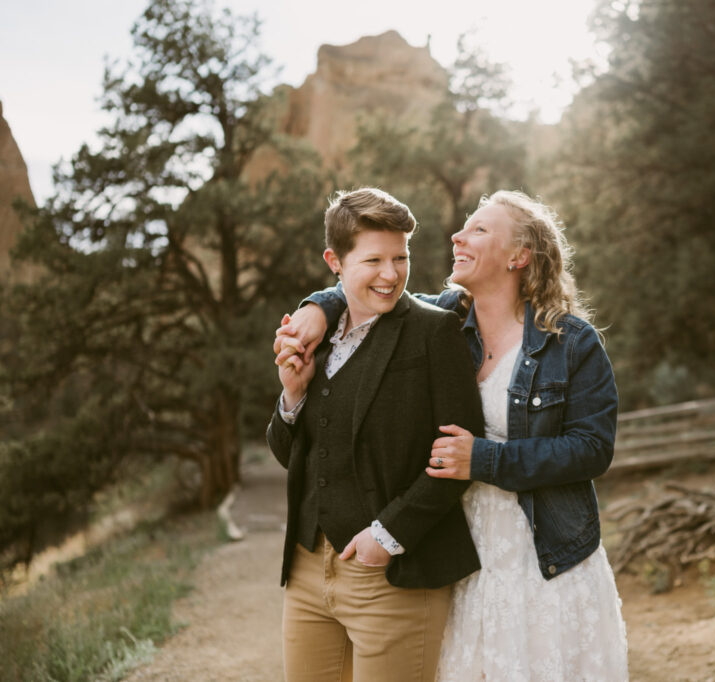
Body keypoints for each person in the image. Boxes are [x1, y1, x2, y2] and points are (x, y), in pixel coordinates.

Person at [278, 190, 629, 681]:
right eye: (464, 225)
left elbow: (593, 449)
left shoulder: (570, 342)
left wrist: (482, 459)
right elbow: (369, 293)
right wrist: (318, 306)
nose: (457, 236)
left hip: (542, 551)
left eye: (479, 229)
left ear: (519, 255)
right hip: (459, 553)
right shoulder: (444, 321)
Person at [266, 187, 484, 682]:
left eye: (400, 257)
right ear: (334, 261)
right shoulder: (313, 339)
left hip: (393, 575)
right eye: (374, 260)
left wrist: (385, 538)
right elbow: (289, 455)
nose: (391, 274)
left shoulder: (434, 332)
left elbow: (456, 458)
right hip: (305, 574)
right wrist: (293, 396)